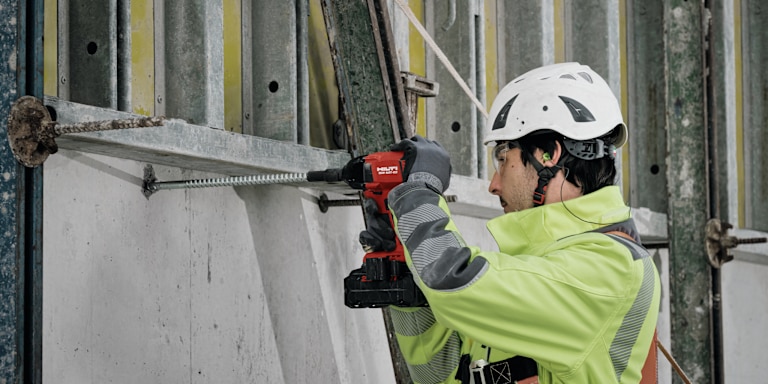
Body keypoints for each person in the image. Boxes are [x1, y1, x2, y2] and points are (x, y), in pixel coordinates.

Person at [361, 62, 661, 384]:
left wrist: (418, 193)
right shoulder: (540, 261)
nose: (493, 184)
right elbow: (440, 374)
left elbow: (451, 279)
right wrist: (408, 282)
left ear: (548, 154)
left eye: (503, 159)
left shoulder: (609, 269)